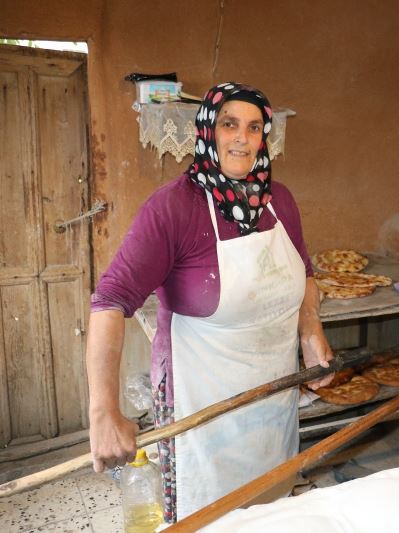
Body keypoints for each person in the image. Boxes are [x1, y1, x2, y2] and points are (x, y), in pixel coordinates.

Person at [86, 82, 334, 523]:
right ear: (206, 131)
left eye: (255, 127)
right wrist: (104, 411)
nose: (242, 137)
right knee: (210, 513)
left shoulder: (281, 202)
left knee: (268, 502)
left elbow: (306, 274)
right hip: (200, 402)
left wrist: (310, 330)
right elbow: (109, 300)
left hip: (271, 390)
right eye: (229, 124)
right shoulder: (173, 209)